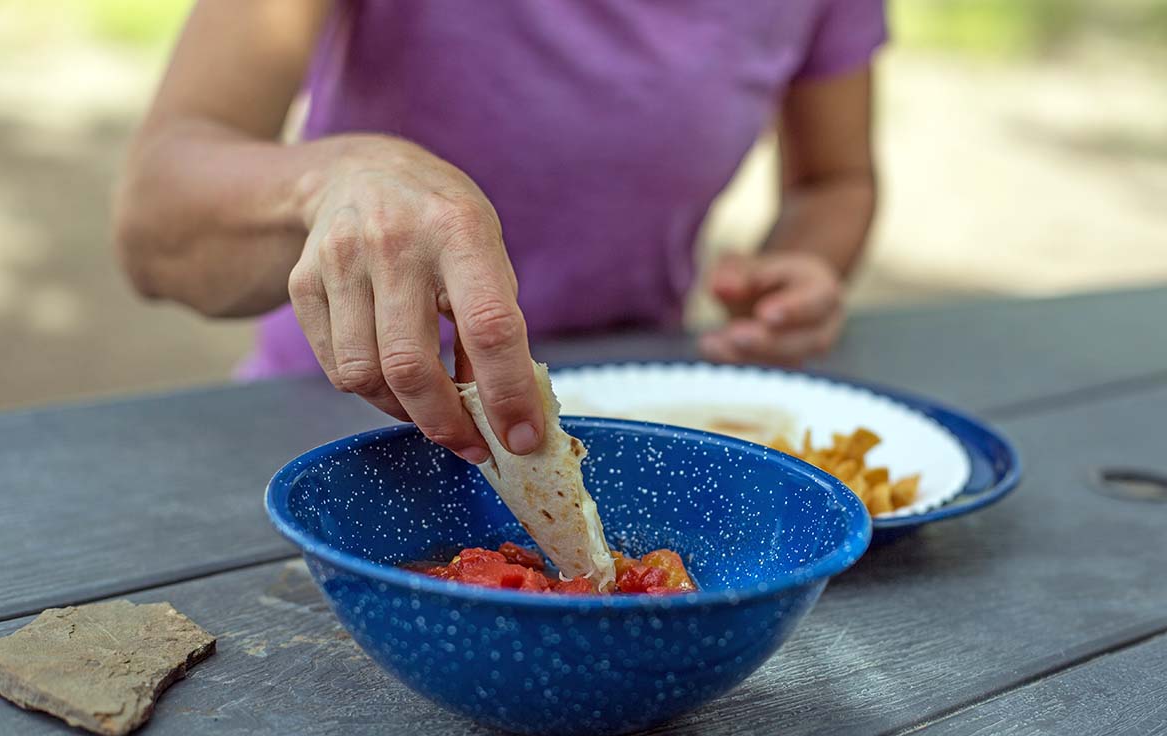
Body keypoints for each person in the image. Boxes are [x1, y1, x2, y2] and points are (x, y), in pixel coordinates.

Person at [113, 0, 885, 466]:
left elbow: (833, 180)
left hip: (633, 427)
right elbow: (155, 223)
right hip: (329, 417)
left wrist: (802, 267)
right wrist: (335, 178)